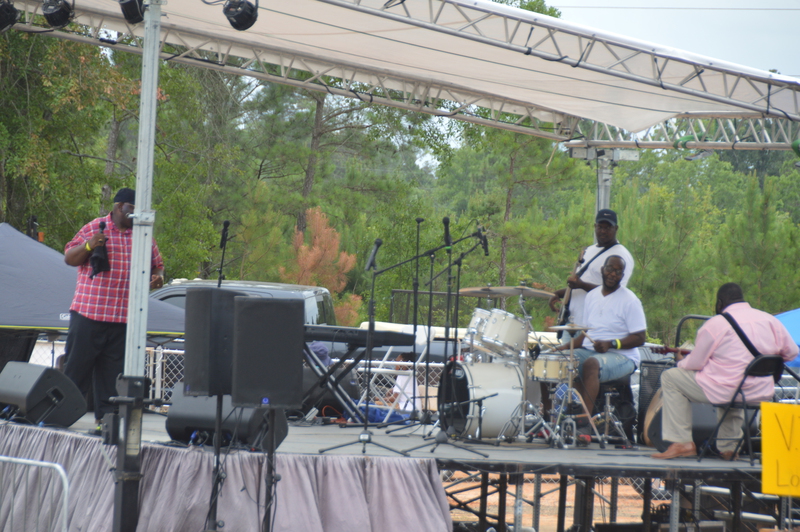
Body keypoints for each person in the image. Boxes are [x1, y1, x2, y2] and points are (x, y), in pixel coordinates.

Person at [652, 283, 798, 460]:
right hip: (760, 392)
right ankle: (730, 448)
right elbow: (792, 352)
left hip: (726, 390)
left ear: (719, 303)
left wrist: (681, 362)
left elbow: (696, 363)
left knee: (671, 377)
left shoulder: (716, 324)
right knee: (732, 382)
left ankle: (681, 442)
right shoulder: (770, 320)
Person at [63, 188, 165, 431]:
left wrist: (158, 277)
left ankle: (105, 423)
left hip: (122, 318)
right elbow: (69, 258)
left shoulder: (143, 235)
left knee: (112, 376)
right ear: (120, 207)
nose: (136, 215)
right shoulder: (94, 227)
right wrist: (89, 246)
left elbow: (157, 265)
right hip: (89, 314)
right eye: (133, 209)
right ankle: (60, 415)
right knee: (76, 370)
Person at [543, 255, 646, 420]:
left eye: (618, 272)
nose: (613, 274)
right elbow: (586, 334)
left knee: (591, 364)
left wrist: (612, 343)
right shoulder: (592, 296)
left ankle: (585, 421)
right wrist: (563, 348)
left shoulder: (630, 300)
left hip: (623, 356)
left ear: (622, 276)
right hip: (592, 352)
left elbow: (640, 337)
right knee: (551, 361)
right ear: (602, 270)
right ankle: (548, 420)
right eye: (610, 269)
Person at [549, 208, 635, 329]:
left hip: (596, 325)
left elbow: (616, 293)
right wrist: (558, 294)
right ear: (595, 227)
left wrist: (582, 285)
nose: (603, 231)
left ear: (616, 229)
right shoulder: (588, 250)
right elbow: (580, 285)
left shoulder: (620, 255)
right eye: (600, 227)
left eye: (608, 228)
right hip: (573, 321)